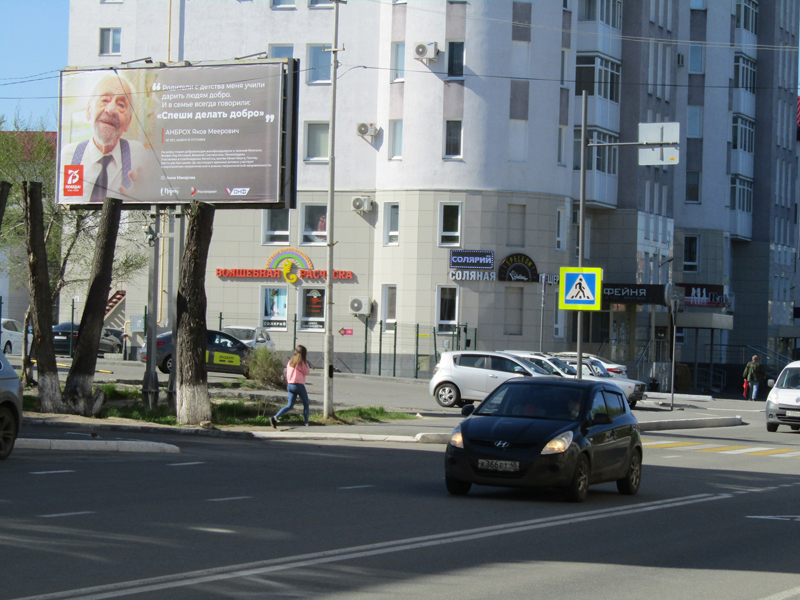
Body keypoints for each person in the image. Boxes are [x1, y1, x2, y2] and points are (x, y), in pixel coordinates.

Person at [60, 74, 155, 203]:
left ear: (128, 122)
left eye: (121, 105)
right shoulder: (71, 155)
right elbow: (66, 206)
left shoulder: (137, 154)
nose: (111, 110)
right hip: (81, 223)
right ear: (89, 110)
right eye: (104, 100)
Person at [270, 345, 310, 427]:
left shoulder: (291, 361)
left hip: (290, 385)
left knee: (289, 405)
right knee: (306, 404)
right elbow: (307, 372)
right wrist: (306, 362)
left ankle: (275, 417)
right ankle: (306, 423)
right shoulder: (301, 362)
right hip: (298, 385)